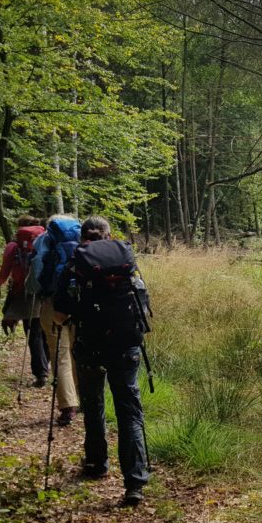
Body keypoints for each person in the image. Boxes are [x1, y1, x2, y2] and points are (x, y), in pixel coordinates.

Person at [53, 216, 151, 507]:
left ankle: (97, 463)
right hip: (126, 346)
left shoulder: (74, 266)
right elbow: (142, 300)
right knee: (129, 409)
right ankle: (135, 482)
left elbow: (59, 314)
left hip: (90, 346)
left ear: (83, 237)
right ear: (109, 236)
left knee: (94, 403)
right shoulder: (126, 263)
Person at [27, 215, 82, 426]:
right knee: (79, 352)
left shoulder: (43, 239)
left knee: (60, 355)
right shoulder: (82, 236)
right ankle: (84, 397)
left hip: (52, 303)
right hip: (79, 303)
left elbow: (35, 274)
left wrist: (36, 291)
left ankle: (68, 407)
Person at [0, 216, 48, 386]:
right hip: (46, 291)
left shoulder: (14, 245)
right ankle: (47, 365)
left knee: (33, 333)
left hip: (24, 292)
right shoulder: (46, 240)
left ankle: (41, 373)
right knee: (43, 330)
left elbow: (5, 270)